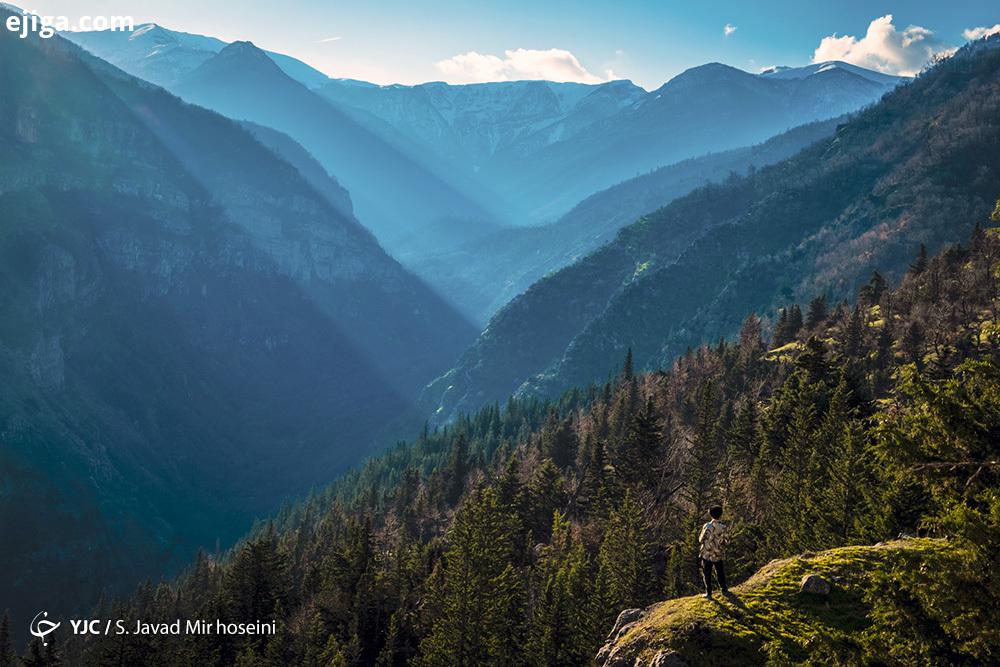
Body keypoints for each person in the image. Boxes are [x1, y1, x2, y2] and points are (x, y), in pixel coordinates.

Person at [699, 505, 729, 598]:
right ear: (721, 515)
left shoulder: (707, 526)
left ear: (710, 514)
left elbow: (701, 539)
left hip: (707, 553)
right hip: (718, 553)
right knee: (720, 571)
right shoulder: (723, 527)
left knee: (707, 573)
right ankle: (724, 589)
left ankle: (709, 593)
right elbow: (727, 541)